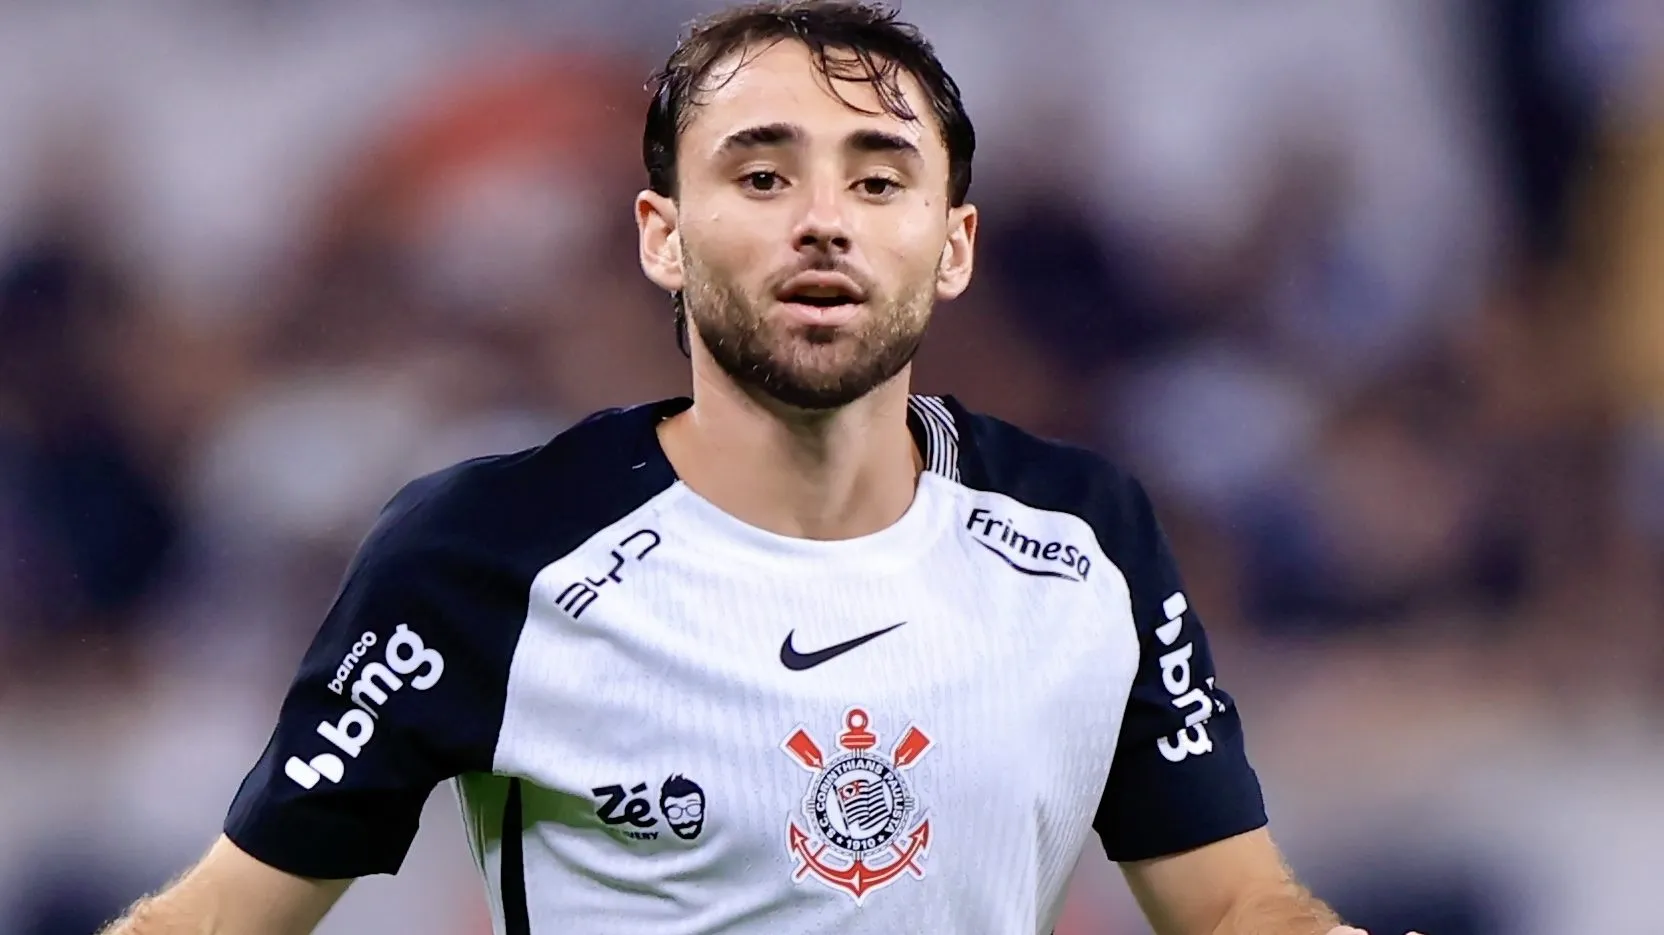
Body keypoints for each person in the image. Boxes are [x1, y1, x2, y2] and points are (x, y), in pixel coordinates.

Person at [100, 3, 1415, 933]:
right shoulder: (485, 550)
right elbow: (226, 913)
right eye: (763, 173)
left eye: (878, 176)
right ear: (664, 238)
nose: (823, 220)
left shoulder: (1086, 535)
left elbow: (1234, 899)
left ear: (952, 246)